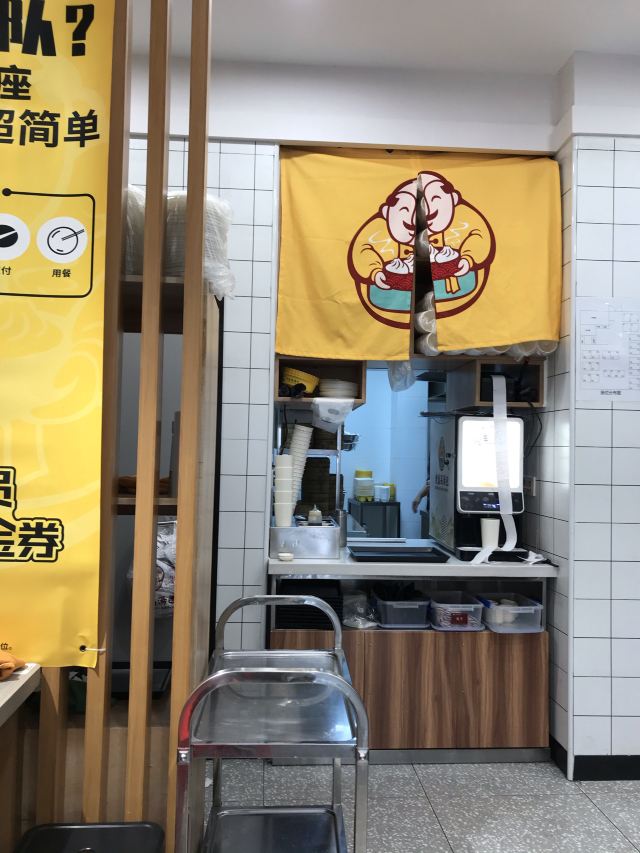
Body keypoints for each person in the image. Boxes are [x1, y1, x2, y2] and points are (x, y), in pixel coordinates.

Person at [348, 178, 417, 312]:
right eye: (404, 209)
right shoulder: (377, 228)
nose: (411, 218)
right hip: (380, 297)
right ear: (387, 211)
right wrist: (375, 272)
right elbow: (362, 249)